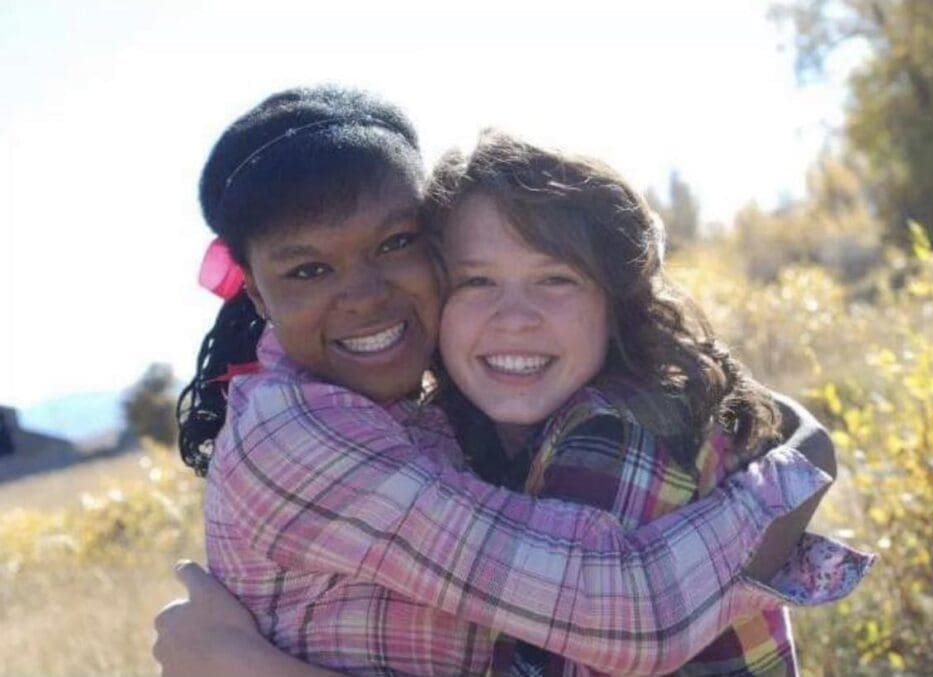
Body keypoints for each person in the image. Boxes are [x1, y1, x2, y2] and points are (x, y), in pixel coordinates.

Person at [155, 86, 870, 676]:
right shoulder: (299, 431)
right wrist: (799, 465)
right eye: (309, 269)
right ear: (256, 297)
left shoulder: (442, 401)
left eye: (395, 244)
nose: (366, 296)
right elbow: (628, 612)